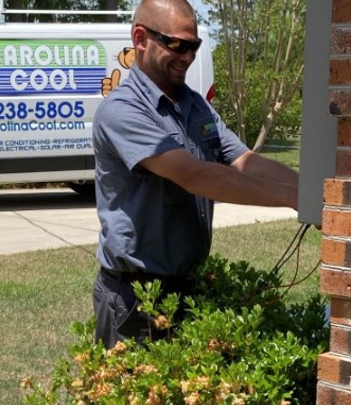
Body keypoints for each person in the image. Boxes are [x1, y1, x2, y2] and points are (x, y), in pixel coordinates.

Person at [92, 0, 299, 349]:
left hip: (185, 289)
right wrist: (296, 199)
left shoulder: (194, 104)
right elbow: (195, 176)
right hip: (135, 298)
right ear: (140, 38)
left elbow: (244, 160)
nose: (187, 57)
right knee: (137, 401)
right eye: (177, 45)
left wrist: (317, 191)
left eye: (194, 46)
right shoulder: (121, 111)